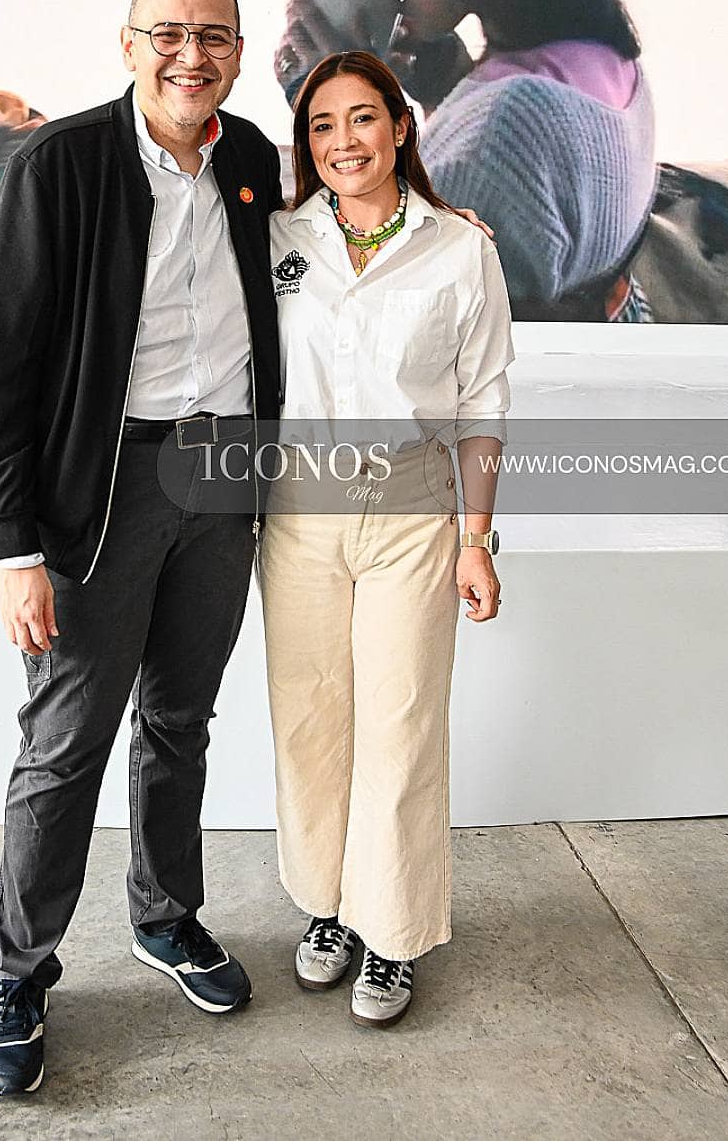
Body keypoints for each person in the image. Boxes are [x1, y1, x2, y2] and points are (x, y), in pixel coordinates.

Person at [0, 0, 285, 1096]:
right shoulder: (60, 165)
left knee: (180, 718)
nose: (192, 55)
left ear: (238, 53)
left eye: (215, 36)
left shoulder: (251, 160)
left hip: (225, 475)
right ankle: (19, 970)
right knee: (66, 744)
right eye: (169, 34)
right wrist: (14, 545)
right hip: (102, 492)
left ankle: (166, 915)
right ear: (129, 44)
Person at [259, 50, 513, 1027]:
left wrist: (476, 539)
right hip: (298, 509)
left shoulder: (461, 248)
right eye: (322, 125)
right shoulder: (281, 238)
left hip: (411, 509)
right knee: (311, 716)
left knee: (401, 723)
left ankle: (393, 934)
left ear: (400, 127)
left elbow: (482, 401)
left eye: (362, 118)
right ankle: (326, 907)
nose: (343, 142)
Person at [275, 0, 657, 322]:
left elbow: (370, 298)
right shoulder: (611, 59)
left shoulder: (500, 130)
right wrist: (450, 92)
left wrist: (330, 106)